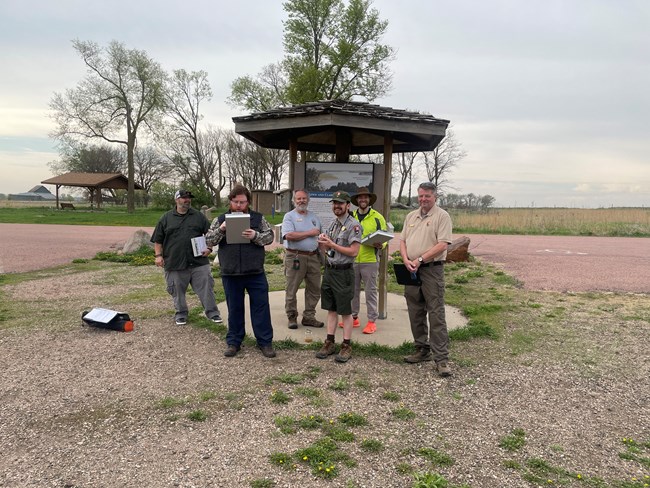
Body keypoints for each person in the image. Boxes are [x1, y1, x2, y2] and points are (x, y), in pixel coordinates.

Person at [205, 184, 276, 359]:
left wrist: (255, 236)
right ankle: (234, 342)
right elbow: (209, 240)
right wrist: (221, 229)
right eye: (235, 202)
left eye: (242, 202)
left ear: (248, 202)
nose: (239, 205)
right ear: (230, 201)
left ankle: (265, 342)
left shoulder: (258, 219)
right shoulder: (220, 219)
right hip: (231, 272)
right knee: (234, 308)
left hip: (255, 271)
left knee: (261, 307)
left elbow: (269, 237)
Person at [399, 182, 453, 377]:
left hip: (431, 270)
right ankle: (422, 349)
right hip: (411, 269)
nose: (423, 199)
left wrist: (420, 259)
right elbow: (403, 241)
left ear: (435, 197)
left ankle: (442, 359)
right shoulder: (411, 216)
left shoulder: (442, 216)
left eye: (427, 196)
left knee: (436, 313)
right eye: (420, 196)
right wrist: (406, 259)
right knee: (415, 310)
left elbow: (443, 244)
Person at [151, 189, 223, 326]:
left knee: (206, 287)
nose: (187, 200)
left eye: (189, 198)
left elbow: (210, 235)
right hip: (175, 262)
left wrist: (209, 248)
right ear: (176, 200)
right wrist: (158, 256)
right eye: (184, 198)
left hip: (198, 262)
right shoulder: (166, 218)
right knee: (177, 290)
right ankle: (181, 314)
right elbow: (158, 240)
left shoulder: (198, 217)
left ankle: (213, 313)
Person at [315, 190, 361, 363]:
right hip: (330, 270)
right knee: (331, 308)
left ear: (348, 206)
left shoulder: (353, 225)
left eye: (340, 203)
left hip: (344, 272)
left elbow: (354, 251)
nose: (337, 206)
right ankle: (329, 342)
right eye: (334, 203)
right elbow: (328, 250)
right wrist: (323, 243)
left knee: (345, 311)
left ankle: (346, 345)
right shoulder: (333, 224)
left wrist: (332, 244)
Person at [281, 189, 324, 330]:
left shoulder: (314, 217)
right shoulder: (289, 216)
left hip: (313, 257)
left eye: (304, 198)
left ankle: (309, 316)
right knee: (291, 288)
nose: (301, 201)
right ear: (294, 200)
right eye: (298, 199)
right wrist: (309, 233)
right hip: (295, 257)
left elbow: (320, 238)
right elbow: (289, 236)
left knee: (314, 288)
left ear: (308, 200)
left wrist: (325, 257)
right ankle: (292, 316)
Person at [347, 187, 388, 334]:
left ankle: (371, 321)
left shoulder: (378, 217)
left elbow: (385, 238)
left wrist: (381, 244)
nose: (362, 200)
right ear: (357, 200)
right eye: (360, 198)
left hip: (370, 260)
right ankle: (354, 317)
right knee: (353, 291)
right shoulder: (350, 217)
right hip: (352, 259)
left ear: (369, 200)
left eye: (365, 197)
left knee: (370, 291)